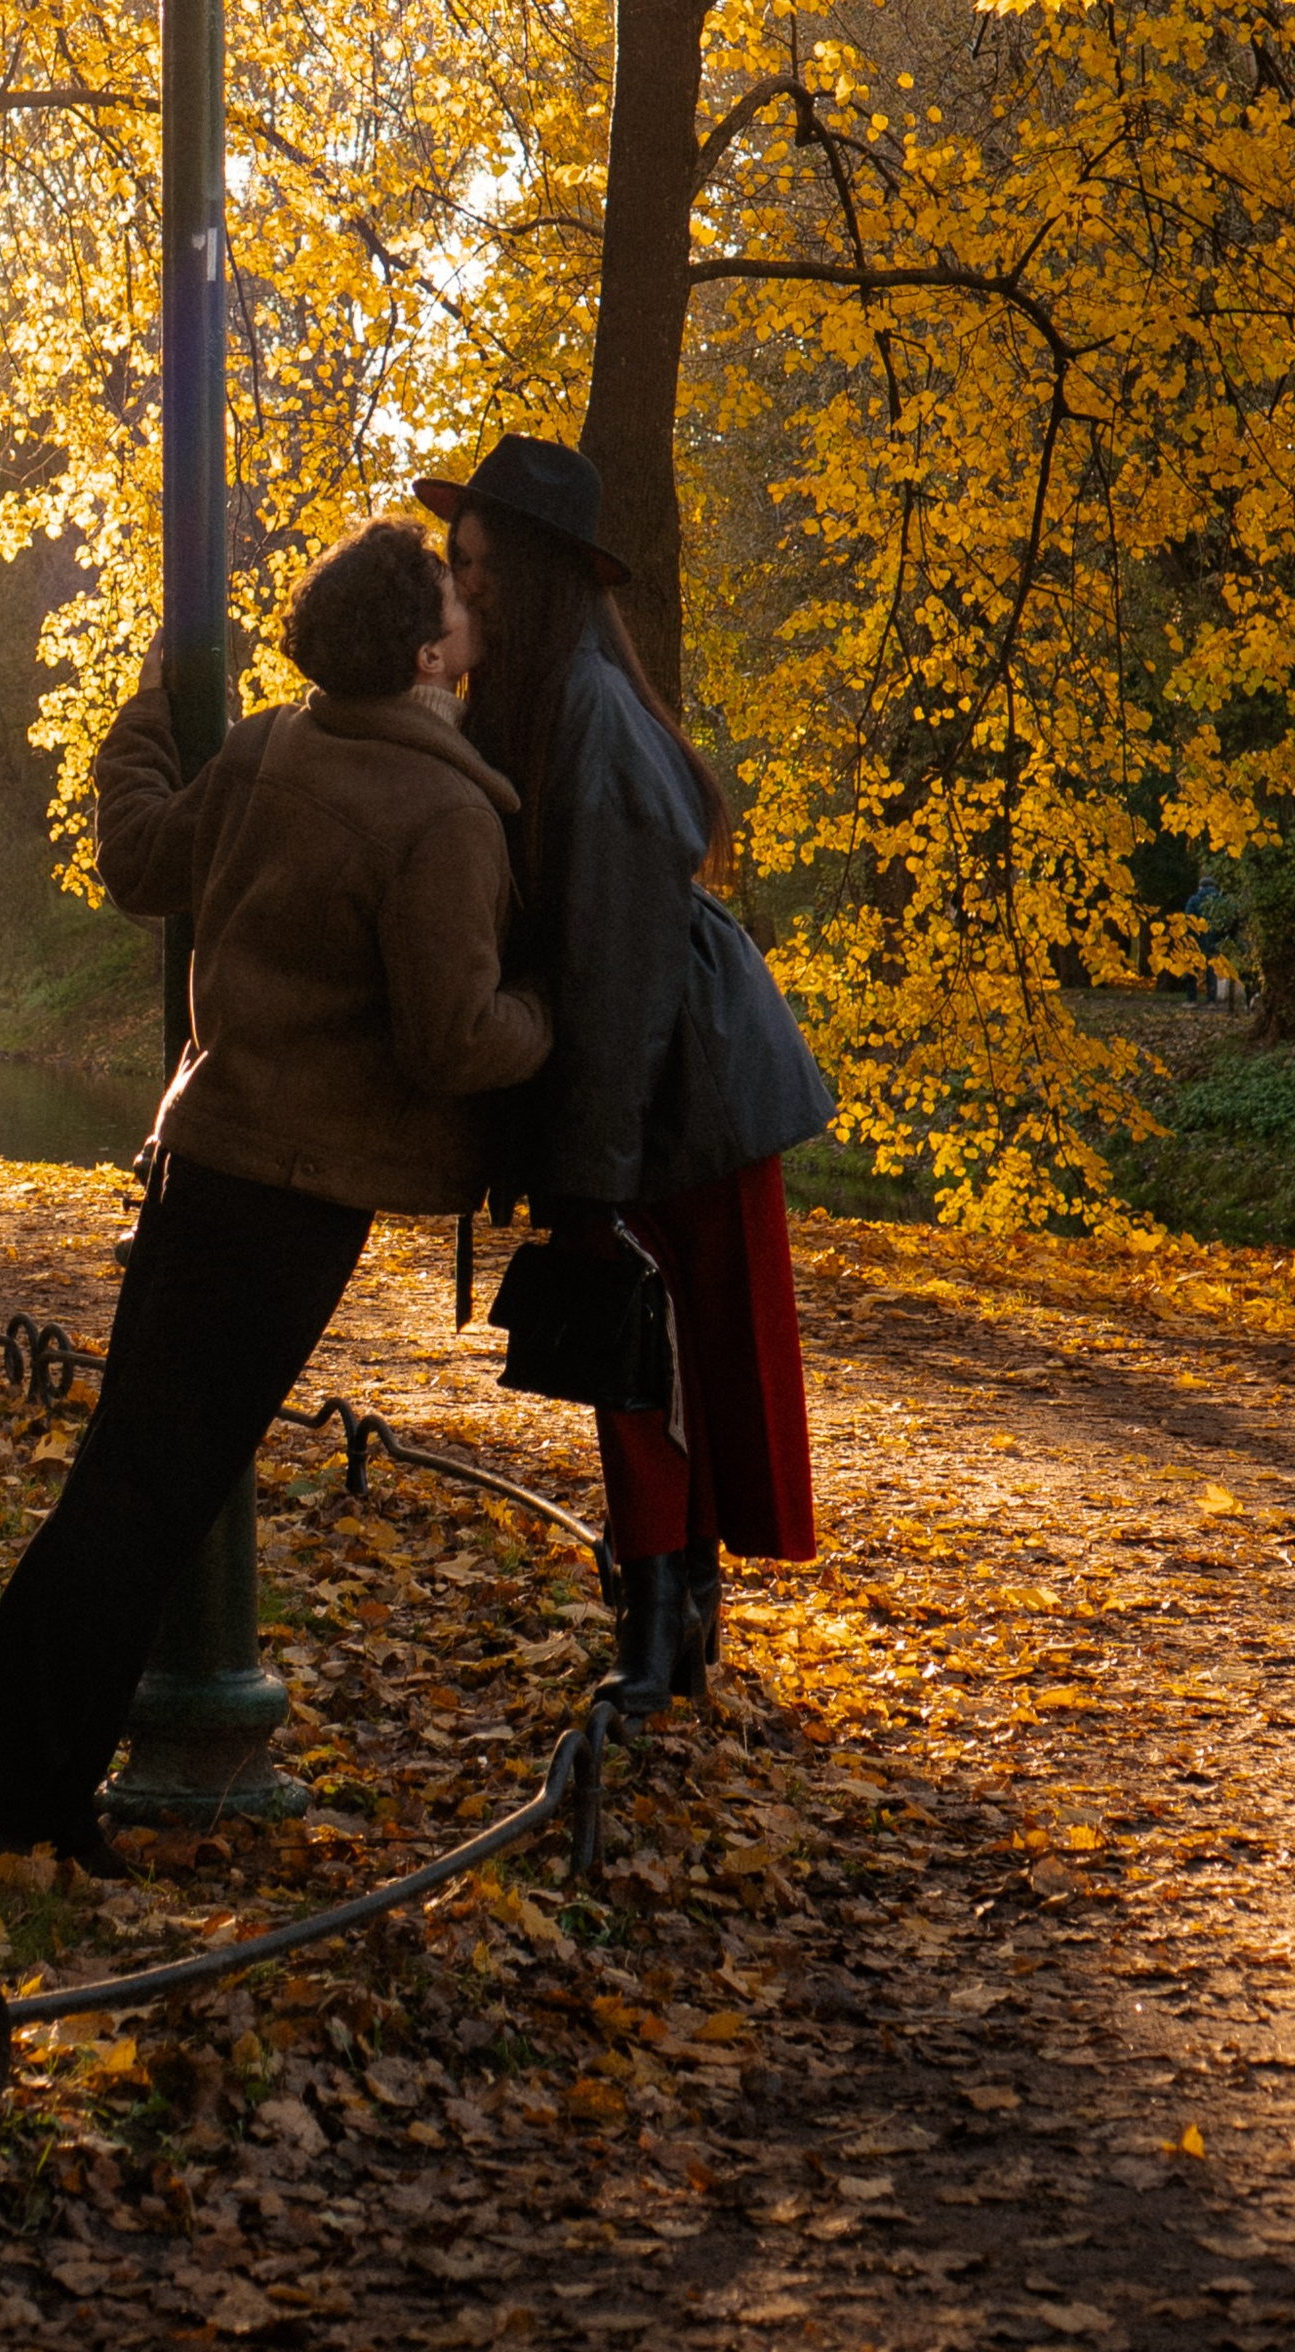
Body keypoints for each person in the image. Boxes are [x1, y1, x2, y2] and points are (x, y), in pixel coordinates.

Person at [0, 516, 550, 1875]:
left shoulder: (264, 750)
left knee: (137, 1490)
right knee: (142, 1503)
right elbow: (451, 1038)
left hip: (207, 1162)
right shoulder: (448, 818)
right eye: (453, 604)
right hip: (292, 1201)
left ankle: (31, 1794)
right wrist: (549, 1014)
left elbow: (137, 858)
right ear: (428, 652)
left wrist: (145, 712)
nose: (474, 617)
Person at [418, 434, 833, 1715]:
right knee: (645, 1362)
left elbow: (616, 969)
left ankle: (659, 1634)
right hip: (646, 1076)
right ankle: (673, 1614)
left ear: (532, 575)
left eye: (477, 565)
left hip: (679, 1086)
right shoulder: (533, 701)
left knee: (649, 1362)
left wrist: (586, 1180)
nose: (460, 585)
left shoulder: (587, 710)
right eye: (454, 561)